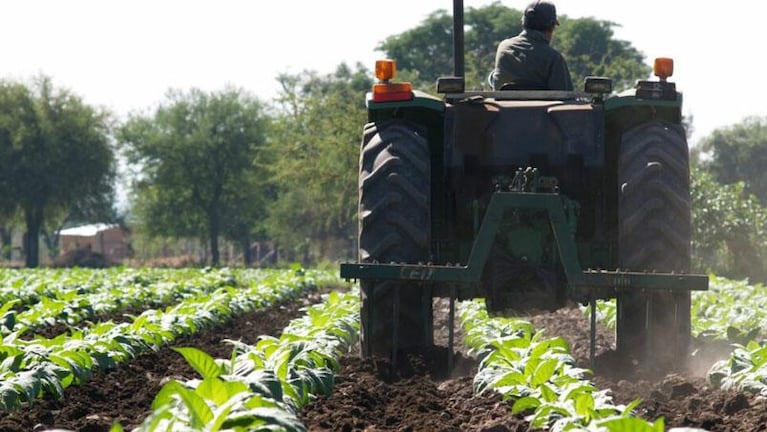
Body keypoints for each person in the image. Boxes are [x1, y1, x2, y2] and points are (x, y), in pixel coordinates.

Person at [489, 0, 573, 91]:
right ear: (551, 27)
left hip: (503, 104)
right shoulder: (554, 58)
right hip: (541, 105)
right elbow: (565, 95)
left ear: (523, 23)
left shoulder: (503, 47)